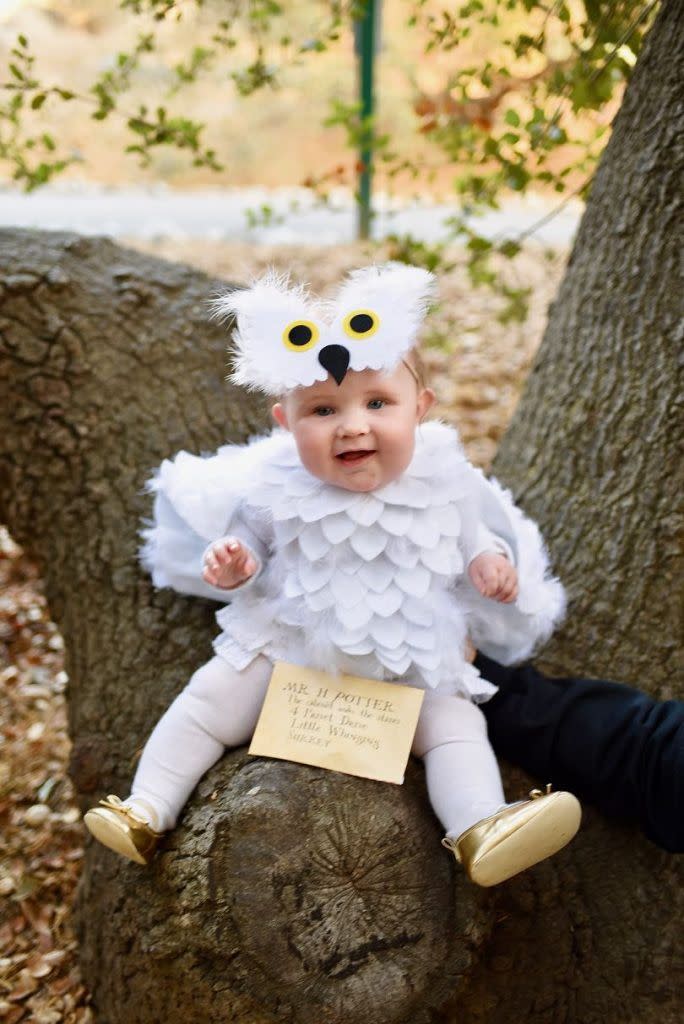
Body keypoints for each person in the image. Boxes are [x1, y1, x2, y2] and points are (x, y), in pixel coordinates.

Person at [84, 263, 581, 885]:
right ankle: (147, 807)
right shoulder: (276, 488)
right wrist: (235, 561)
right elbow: (249, 539)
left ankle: (481, 827)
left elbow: (472, 538)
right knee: (210, 702)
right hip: (294, 646)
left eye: (378, 403)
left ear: (420, 409)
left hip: (407, 656)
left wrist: (490, 566)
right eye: (323, 408)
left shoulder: (446, 482)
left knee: (456, 726)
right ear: (285, 422)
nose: (352, 424)